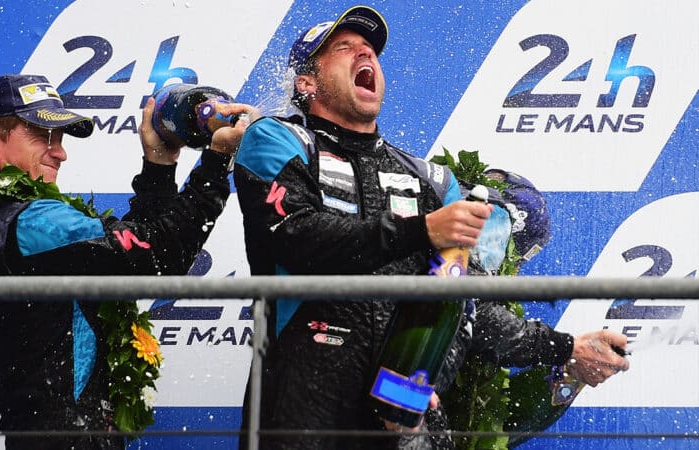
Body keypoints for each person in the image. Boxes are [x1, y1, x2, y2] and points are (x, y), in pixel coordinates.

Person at [233, 6, 629, 449]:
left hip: (401, 426)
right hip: (300, 409)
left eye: (370, 51)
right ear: (306, 83)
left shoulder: (432, 180)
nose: (364, 54)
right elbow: (297, 239)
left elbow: (461, 306)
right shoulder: (279, 139)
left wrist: (565, 348)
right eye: (344, 48)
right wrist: (420, 231)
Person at [0, 74, 250, 449]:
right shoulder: (32, 224)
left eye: (60, 137)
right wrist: (216, 164)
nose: (61, 152)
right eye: (42, 134)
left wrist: (158, 164)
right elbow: (157, 259)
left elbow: (137, 249)